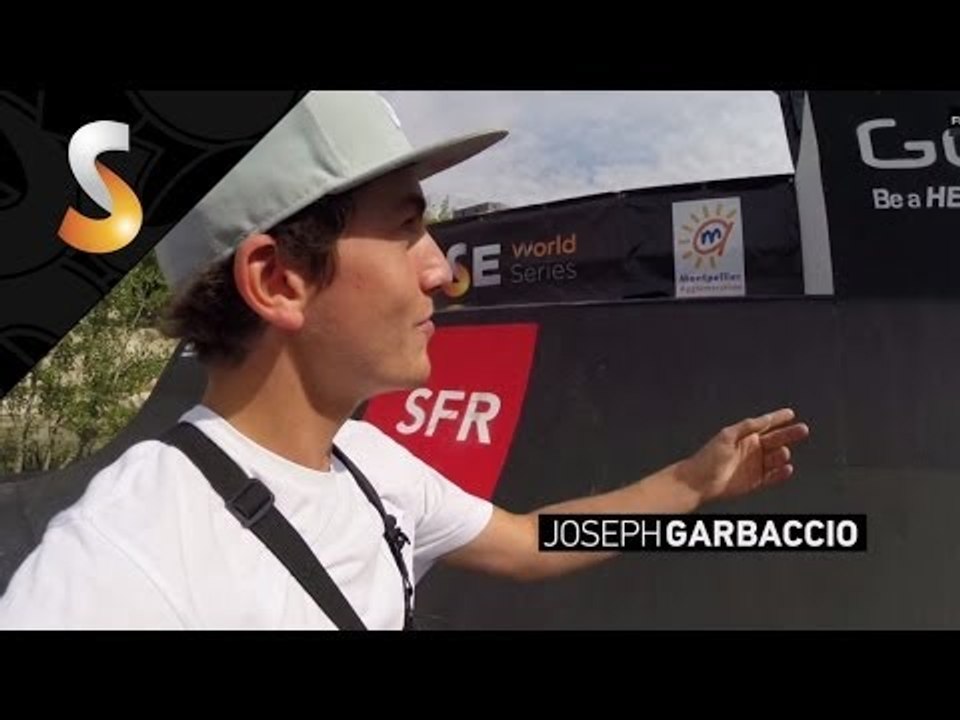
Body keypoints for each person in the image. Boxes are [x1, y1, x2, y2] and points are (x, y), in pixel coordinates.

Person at [0, 91, 809, 629]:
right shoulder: (122, 565)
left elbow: (528, 542)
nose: (442, 270)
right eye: (406, 227)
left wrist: (693, 482)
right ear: (278, 280)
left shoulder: (366, 459)